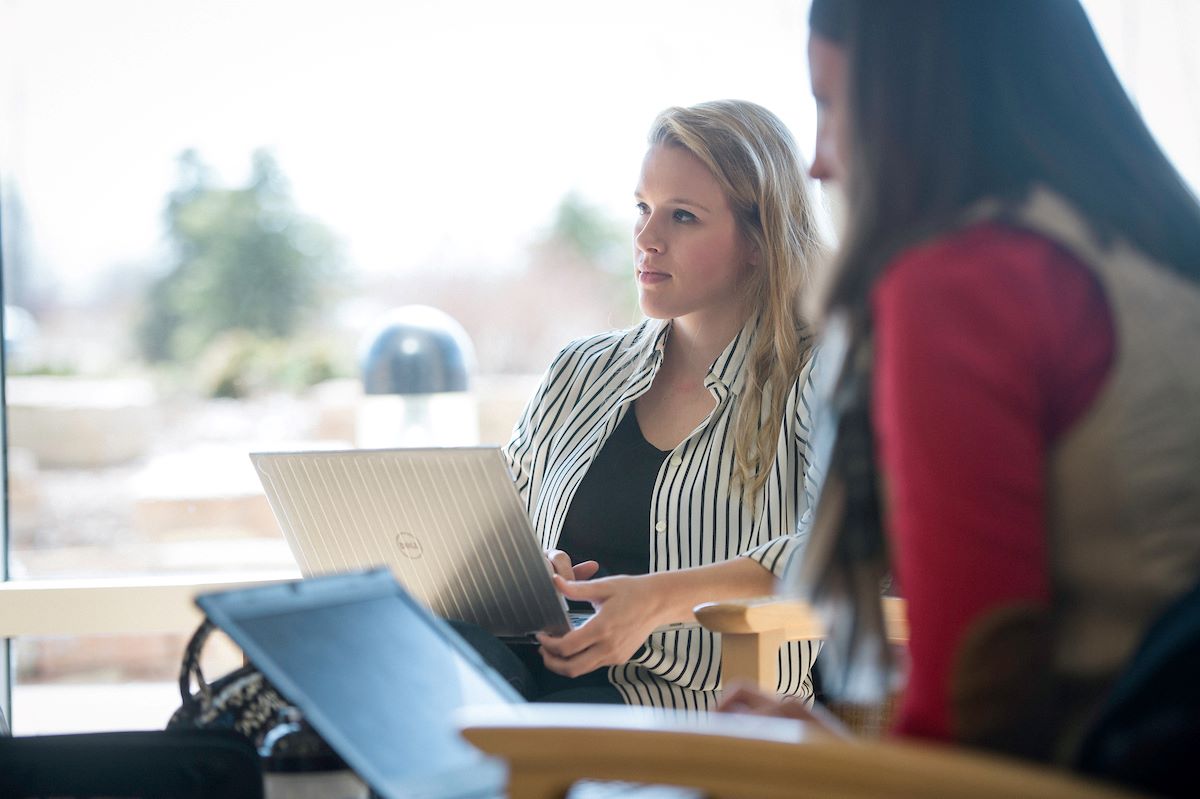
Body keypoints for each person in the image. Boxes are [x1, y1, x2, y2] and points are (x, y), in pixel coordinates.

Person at [721, 0, 1200, 771]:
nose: (818, 161)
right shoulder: (1162, 250)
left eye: (833, 105)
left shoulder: (964, 283)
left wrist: (821, 768)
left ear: (912, 100)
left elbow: (977, 712)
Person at [490, 99, 827, 710]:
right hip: (523, 683)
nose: (646, 239)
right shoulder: (580, 370)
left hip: (686, 718)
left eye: (683, 217)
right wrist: (523, 573)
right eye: (642, 209)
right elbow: (493, 522)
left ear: (758, 239)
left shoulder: (817, 376)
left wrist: (659, 598)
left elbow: (838, 550)